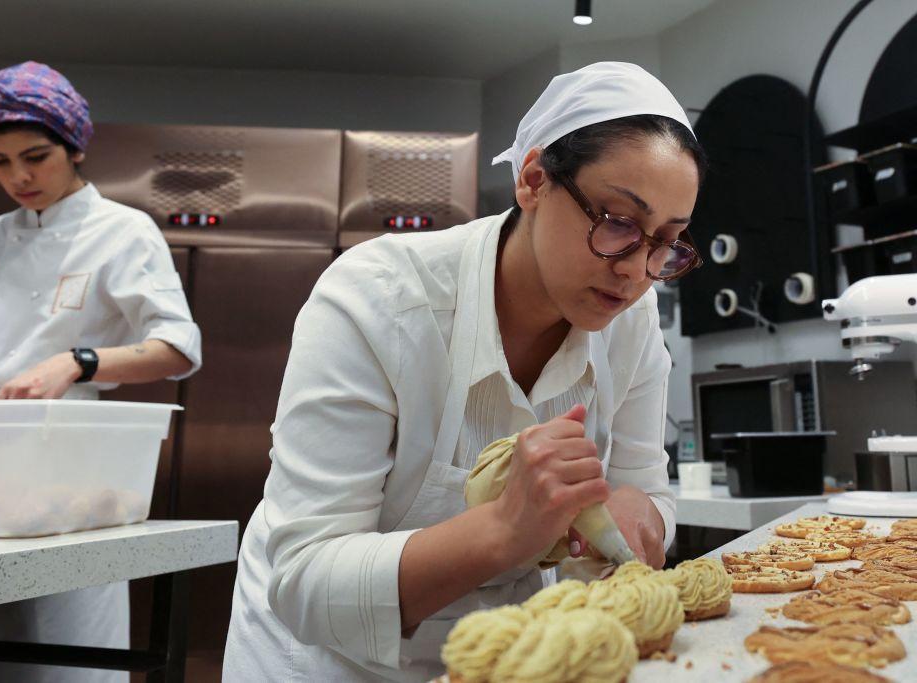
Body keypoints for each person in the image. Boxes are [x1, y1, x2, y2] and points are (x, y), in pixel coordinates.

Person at [223, 61, 706, 682]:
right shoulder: (381, 300)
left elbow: (647, 487)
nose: (637, 271)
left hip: (505, 657)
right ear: (533, 181)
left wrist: (643, 509)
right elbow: (306, 581)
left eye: (666, 241)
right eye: (617, 222)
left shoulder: (632, 325)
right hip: (326, 662)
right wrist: (504, 529)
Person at [0, 61, 202, 683]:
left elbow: (177, 347)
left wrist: (76, 360)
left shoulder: (121, 231)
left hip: (65, 465)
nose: (19, 177)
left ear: (76, 146)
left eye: (35, 156)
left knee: (56, 645)